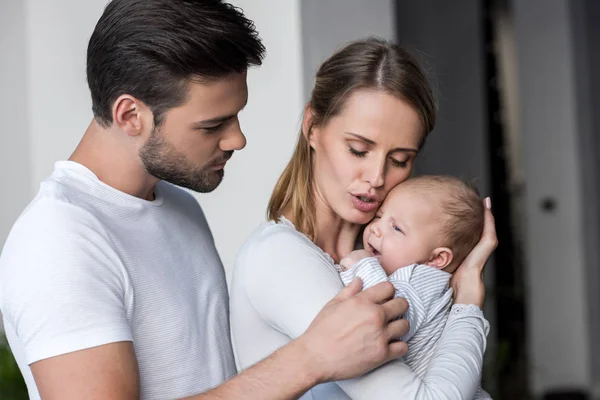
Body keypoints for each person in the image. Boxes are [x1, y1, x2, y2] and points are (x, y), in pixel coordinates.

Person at [0, 1, 414, 399]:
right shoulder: (57, 243)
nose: (237, 139)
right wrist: (310, 358)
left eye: (236, 117)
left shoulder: (177, 204)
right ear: (130, 116)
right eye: (213, 125)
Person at [230, 38, 498, 399]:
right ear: (312, 127)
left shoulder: (392, 257)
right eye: (358, 150)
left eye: (400, 159)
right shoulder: (281, 256)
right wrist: (467, 302)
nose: (375, 176)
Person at [338, 175, 491, 399]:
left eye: (396, 228)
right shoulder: (414, 276)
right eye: (380, 216)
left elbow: (387, 320)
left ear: (436, 259)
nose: (376, 229)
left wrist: (360, 265)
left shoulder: (420, 279)